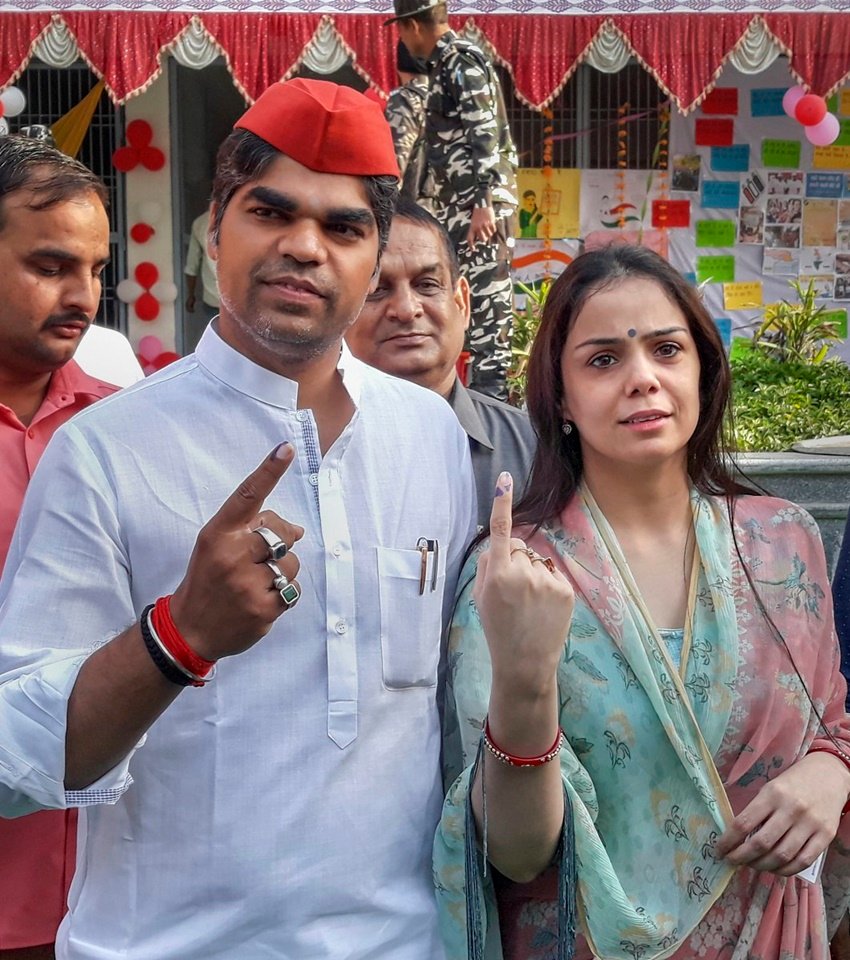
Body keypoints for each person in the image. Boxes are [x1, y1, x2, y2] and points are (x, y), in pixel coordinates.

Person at [0, 78, 476, 960]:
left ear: (374, 259)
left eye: (344, 228)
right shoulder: (103, 450)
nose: (305, 246)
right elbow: (17, 762)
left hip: (403, 944)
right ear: (215, 227)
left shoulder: (430, 435)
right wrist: (177, 639)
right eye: (271, 212)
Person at [434, 244, 850, 960]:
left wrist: (831, 772)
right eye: (603, 360)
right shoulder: (516, 576)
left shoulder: (783, 541)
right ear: (561, 399)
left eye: (666, 350)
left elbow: (831, 722)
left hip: (770, 936)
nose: (643, 378)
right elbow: (518, 855)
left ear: (702, 372)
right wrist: (526, 680)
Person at [0, 135, 117, 960]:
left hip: (113, 899)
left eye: (96, 269)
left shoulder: (126, 427)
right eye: (50, 266)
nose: (83, 296)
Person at [346, 198, 535, 527]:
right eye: (377, 289)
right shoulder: (307, 450)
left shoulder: (534, 451)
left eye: (427, 285)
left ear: (462, 303)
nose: (406, 309)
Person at [387, 0, 518, 400]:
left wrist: (484, 203)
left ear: (413, 26)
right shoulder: (443, 65)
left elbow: (484, 131)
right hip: (460, 208)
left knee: (489, 315)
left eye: (401, 29)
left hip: (478, 210)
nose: (403, 38)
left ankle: (493, 405)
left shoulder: (461, 59)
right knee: (464, 307)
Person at [385, 40, 430, 201]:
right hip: (450, 205)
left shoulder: (405, 100)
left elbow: (394, 164)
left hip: (415, 206)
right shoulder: (446, 96)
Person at [183, 202, 219, 349]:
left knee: (215, 346)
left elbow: (192, 265)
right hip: (239, 301)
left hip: (211, 299)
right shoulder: (241, 220)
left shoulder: (199, 223)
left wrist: (191, 295)